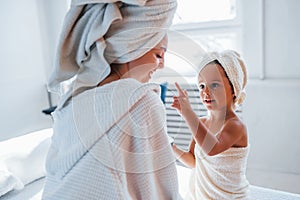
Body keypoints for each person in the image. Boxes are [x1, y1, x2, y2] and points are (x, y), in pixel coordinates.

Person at [42, 0, 180, 199]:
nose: (162, 65)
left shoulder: (71, 98)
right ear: (131, 45)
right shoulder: (142, 101)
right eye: (159, 54)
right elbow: (160, 190)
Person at [171, 50, 250, 199]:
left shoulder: (235, 126)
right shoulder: (202, 122)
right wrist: (171, 146)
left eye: (214, 85)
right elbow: (193, 161)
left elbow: (212, 149)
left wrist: (188, 112)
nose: (206, 92)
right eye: (201, 86)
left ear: (234, 88)